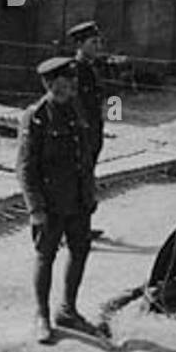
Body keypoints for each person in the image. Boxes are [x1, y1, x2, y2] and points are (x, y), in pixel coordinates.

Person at [16, 57, 100, 344]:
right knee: (45, 257)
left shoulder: (75, 108)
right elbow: (25, 168)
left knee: (80, 251)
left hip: (78, 200)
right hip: (50, 205)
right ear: (50, 85)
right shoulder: (36, 117)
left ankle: (68, 310)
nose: (69, 89)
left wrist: (90, 192)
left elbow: (85, 155)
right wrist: (35, 208)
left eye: (71, 83)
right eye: (63, 84)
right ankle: (42, 315)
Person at [67, 20, 107, 239]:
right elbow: (75, 105)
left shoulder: (91, 68)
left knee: (87, 180)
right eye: (93, 42)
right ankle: (73, 230)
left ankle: (83, 227)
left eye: (98, 42)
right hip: (82, 135)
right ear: (80, 45)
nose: (97, 46)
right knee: (78, 182)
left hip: (93, 133)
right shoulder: (75, 71)